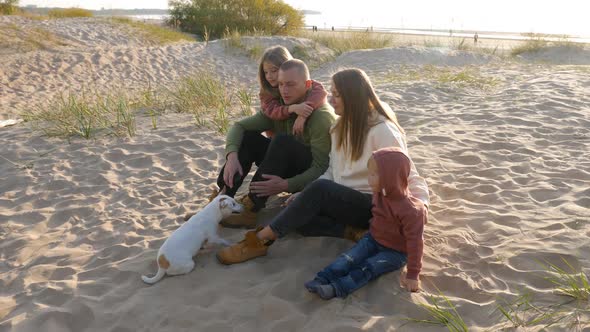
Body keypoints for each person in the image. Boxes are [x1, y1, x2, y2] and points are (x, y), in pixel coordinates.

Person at [217, 68, 429, 265]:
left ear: (352, 97)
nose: (330, 99)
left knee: (317, 193)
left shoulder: (382, 130)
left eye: (336, 95)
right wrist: (304, 193)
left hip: (375, 205)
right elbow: (331, 171)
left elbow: (408, 174)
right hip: (343, 201)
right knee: (295, 210)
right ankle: (352, 232)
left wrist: (421, 206)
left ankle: (260, 241)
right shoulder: (339, 127)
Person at [215, 59, 336, 228]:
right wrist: (231, 156)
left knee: (282, 141)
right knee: (249, 137)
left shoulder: (321, 116)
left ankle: (251, 208)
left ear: (308, 84)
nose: (284, 91)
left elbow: (322, 167)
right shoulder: (280, 107)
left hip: (310, 178)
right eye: (280, 84)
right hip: (285, 165)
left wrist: (286, 185)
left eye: (290, 84)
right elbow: (239, 126)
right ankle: (224, 198)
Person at [304, 147, 427, 299]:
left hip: (395, 252)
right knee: (349, 258)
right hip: (373, 239)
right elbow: (377, 217)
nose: (369, 178)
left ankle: (336, 288)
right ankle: (323, 278)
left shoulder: (412, 211)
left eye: (374, 174)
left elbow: (415, 243)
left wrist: (413, 275)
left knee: (368, 267)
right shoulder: (379, 195)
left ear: (390, 177)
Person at [257, 46, 328, 137]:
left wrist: (303, 114)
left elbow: (320, 91)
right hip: (276, 138)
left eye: (274, 70)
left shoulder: (301, 82)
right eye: (265, 72)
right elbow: (272, 112)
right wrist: (291, 108)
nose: (269, 76)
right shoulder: (266, 92)